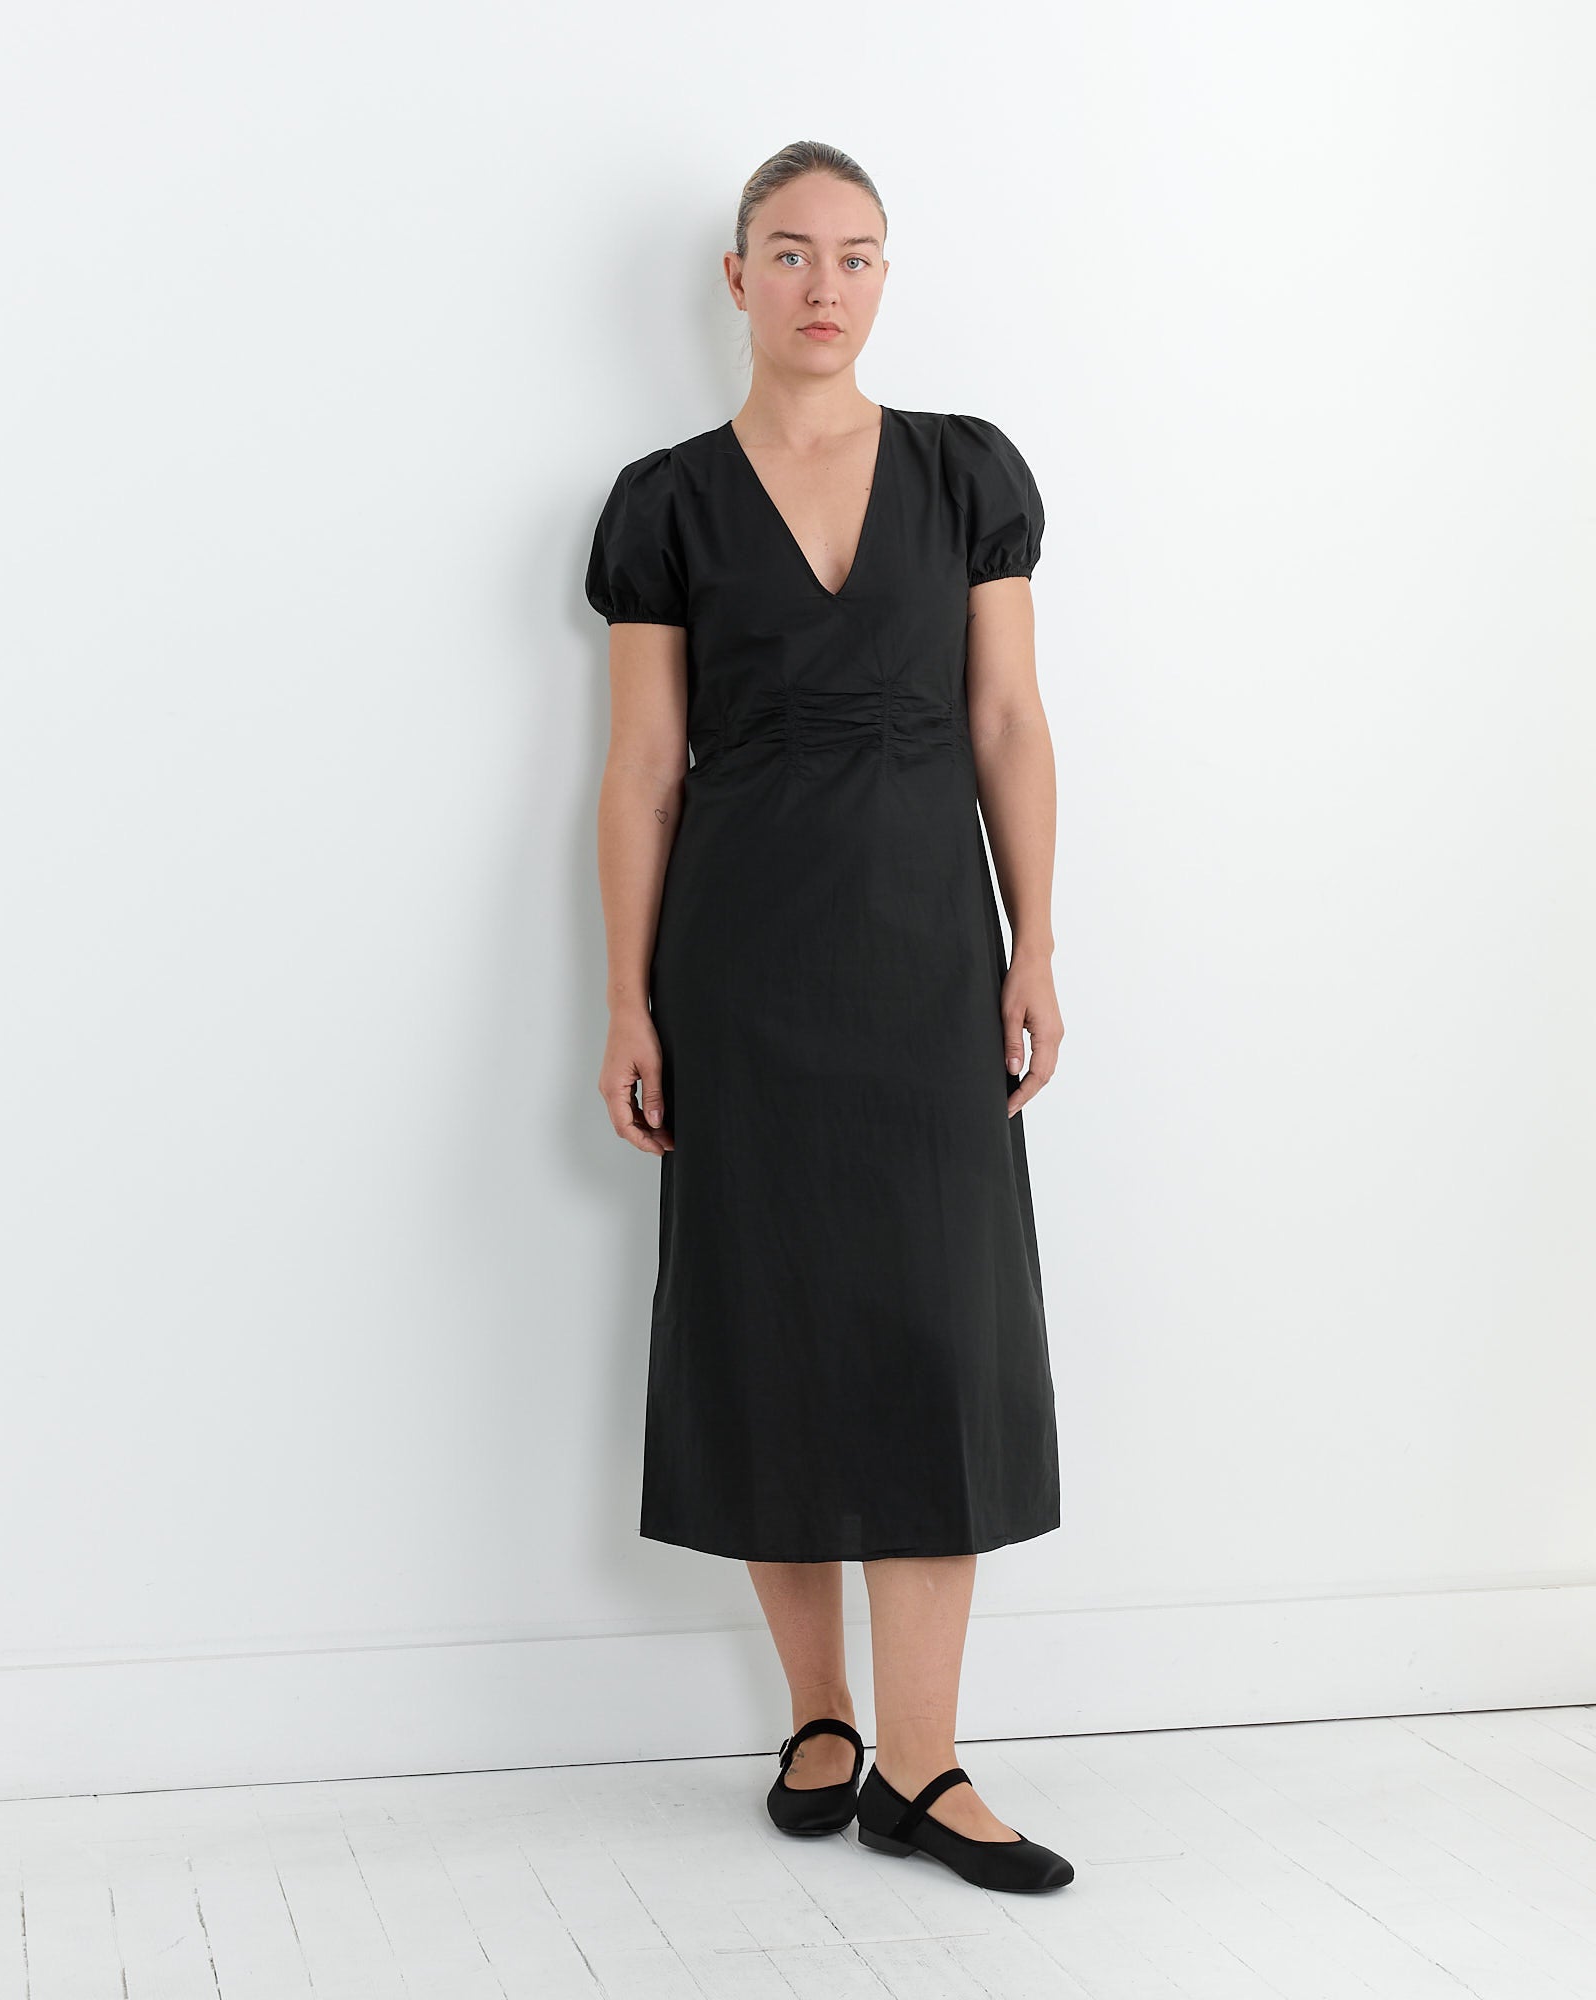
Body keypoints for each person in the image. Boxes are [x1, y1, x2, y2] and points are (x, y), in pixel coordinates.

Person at [584, 140, 1073, 1894]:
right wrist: (627, 997)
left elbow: (1006, 721)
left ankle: (926, 1765)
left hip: (929, 956)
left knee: (939, 1336)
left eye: (856, 255)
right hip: (742, 965)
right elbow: (644, 767)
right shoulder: (665, 503)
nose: (823, 284)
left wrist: (1034, 943)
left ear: (885, 279)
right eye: (789, 253)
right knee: (769, 1327)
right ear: (737, 278)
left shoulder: (965, 473)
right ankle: (820, 1718)